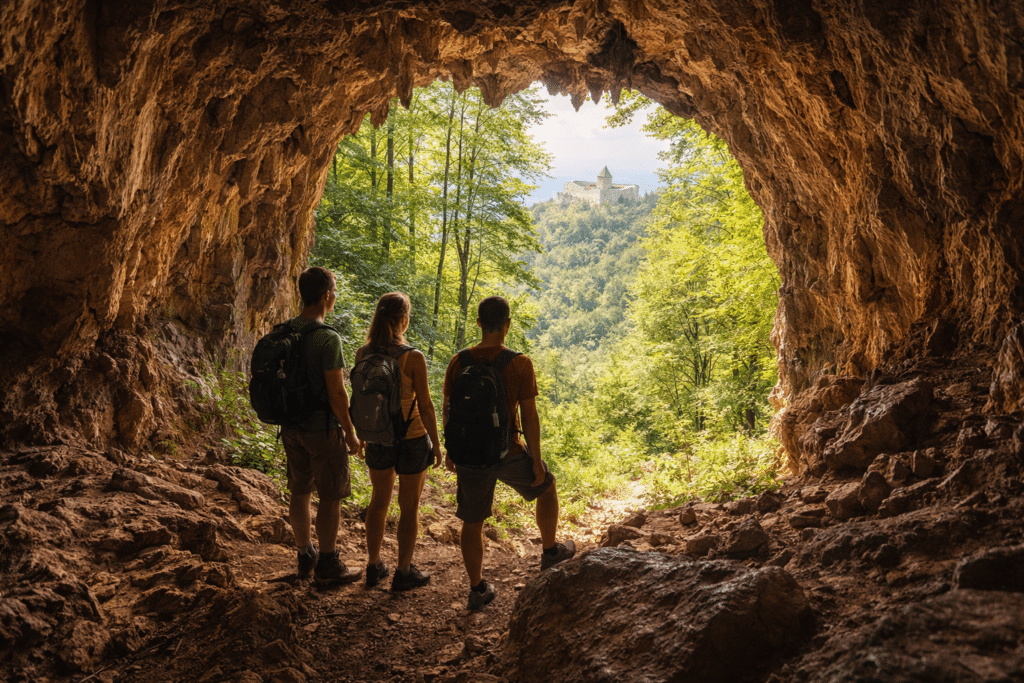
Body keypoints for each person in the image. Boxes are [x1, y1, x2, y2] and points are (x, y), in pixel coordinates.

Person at [443, 295, 575, 610]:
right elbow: (529, 416)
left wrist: (452, 451)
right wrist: (536, 459)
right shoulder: (519, 363)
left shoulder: (458, 361)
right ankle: (550, 552)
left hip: (469, 456)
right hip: (507, 451)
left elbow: (448, 409)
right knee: (547, 486)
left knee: (472, 521)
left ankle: (477, 589)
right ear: (507, 324)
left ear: (478, 323)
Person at [355, 292, 444, 591]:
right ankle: (403, 571)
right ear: (403, 319)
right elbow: (426, 406)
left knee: (378, 502)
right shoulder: (413, 357)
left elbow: (362, 399)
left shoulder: (363, 353)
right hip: (412, 438)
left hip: (378, 438)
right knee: (409, 508)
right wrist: (437, 444)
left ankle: (373, 565)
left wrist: (365, 432)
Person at [282, 266, 364, 586]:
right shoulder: (327, 338)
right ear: (325, 296)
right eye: (333, 292)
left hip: (290, 428)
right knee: (331, 495)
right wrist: (350, 432)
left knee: (300, 491)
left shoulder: (283, 331)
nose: (334, 297)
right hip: (322, 430)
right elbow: (337, 392)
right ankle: (328, 564)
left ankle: (305, 555)